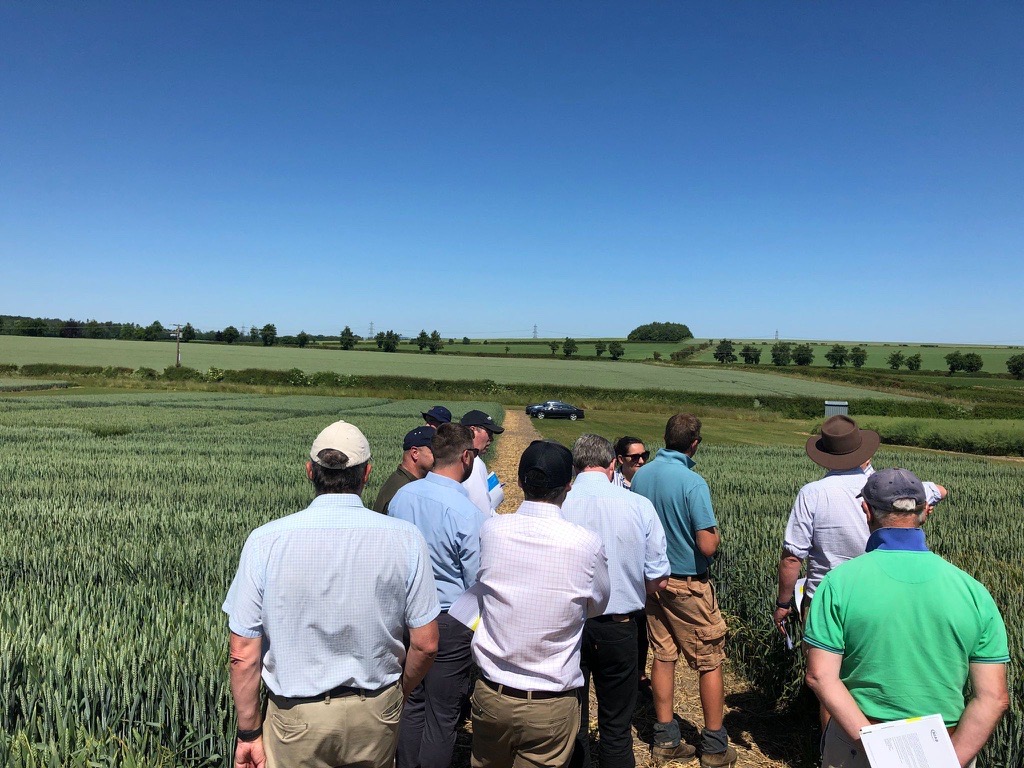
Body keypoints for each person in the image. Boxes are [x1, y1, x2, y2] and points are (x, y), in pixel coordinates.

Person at [223, 420, 441, 768]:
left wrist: (249, 733)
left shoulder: (265, 541)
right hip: (375, 711)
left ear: (310, 471)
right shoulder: (406, 538)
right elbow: (426, 644)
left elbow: (242, 653)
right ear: (367, 473)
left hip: (296, 719)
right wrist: (397, 694)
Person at [804, 468, 1009, 768]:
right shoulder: (974, 591)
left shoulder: (839, 583)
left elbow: (820, 676)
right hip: (948, 747)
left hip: (858, 748)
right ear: (925, 512)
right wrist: (951, 761)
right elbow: (994, 697)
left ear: (866, 511)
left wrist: (880, 751)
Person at [471, 440, 611, 768]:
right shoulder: (586, 543)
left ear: (519, 481)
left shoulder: (492, 530)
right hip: (550, 702)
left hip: (493, 695)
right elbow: (599, 604)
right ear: (568, 486)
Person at [631, 414, 735, 768]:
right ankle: (716, 746)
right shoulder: (692, 482)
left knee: (663, 654)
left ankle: (665, 739)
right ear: (694, 444)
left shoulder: (641, 475)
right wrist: (719, 537)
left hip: (652, 582)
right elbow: (706, 545)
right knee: (709, 661)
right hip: (687, 585)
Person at [774, 415, 947, 627]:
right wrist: (922, 509)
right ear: (865, 455)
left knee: (821, 658)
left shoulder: (811, 493)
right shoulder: (886, 488)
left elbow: (792, 558)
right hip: (878, 598)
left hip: (824, 598)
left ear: (825, 455)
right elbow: (940, 490)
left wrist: (783, 603)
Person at [561, 434, 670, 768]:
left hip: (568, 627)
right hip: (620, 627)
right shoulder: (638, 505)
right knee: (616, 729)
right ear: (612, 465)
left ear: (576, 467)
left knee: (571, 725)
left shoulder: (558, 505)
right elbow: (658, 579)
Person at [388, 423, 488, 768]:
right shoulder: (466, 513)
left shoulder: (403, 497)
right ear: (465, 456)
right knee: (443, 716)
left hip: (403, 615)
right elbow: (477, 578)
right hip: (448, 619)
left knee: (411, 702)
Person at [611, 435, 655, 696]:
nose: (640, 460)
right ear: (619, 460)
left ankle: (639, 673)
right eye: (634, 457)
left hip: (639, 560)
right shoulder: (613, 485)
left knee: (641, 623)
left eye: (644, 455)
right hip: (619, 556)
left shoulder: (646, 483)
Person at [372, 425, 435, 514]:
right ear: (415, 453)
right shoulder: (404, 491)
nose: (440, 457)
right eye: (434, 452)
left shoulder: (401, 481)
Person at [460, 409, 505, 515]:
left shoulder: (452, 455)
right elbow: (481, 511)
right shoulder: (473, 462)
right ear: (472, 431)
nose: (491, 439)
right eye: (489, 433)